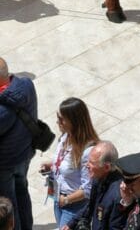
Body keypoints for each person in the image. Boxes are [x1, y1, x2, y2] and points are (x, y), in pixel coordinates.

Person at [40, 98, 99, 228]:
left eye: (62, 119)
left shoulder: (87, 151)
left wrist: (66, 200)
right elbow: (66, 163)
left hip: (74, 206)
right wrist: (51, 165)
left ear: (74, 121)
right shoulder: (65, 137)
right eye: (58, 117)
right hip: (58, 198)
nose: (58, 122)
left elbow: (88, 189)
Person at [0, 58, 37, 230]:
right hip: (25, 154)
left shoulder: (2, 111)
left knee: (8, 203)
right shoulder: (27, 85)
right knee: (22, 191)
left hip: (5, 164)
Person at [62, 141, 126, 230]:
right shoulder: (98, 178)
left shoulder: (117, 195)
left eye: (92, 163)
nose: (86, 165)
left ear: (106, 167)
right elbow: (91, 204)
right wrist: (71, 223)